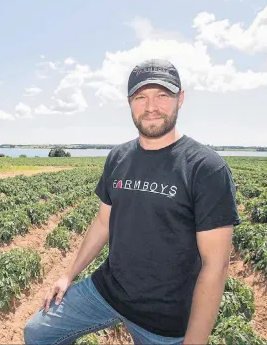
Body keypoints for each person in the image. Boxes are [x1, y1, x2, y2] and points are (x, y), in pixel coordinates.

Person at [23, 59, 241, 345]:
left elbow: (216, 265)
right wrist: (68, 274)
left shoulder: (205, 168)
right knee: (38, 332)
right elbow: (103, 222)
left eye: (162, 95)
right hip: (108, 291)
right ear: (130, 103)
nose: (151, 106)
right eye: (141, 97)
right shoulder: (118, 157)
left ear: (181, 99)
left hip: (163, 317)